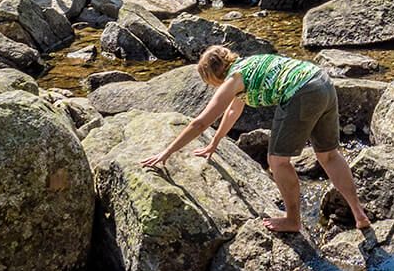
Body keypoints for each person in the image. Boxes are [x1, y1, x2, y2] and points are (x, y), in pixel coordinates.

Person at [139, 46, 372, 236]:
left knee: (277, 161)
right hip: (321, 81)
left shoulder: (233, 80)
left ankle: (293, 220)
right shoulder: (248, 65)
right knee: (328, 155)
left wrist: (166, 153)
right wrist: (215, 142)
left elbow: (199, 123)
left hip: (301, 92)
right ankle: (359, 214)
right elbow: (233, 111)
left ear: (212, 77)